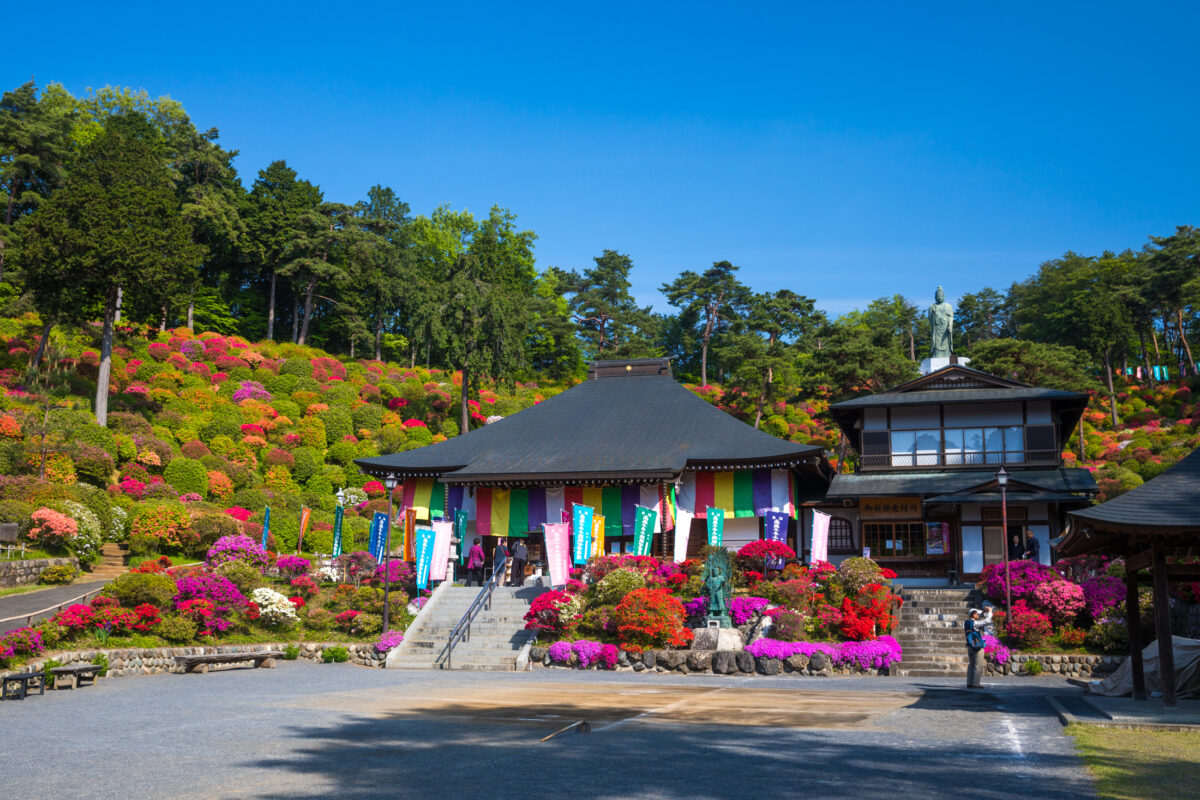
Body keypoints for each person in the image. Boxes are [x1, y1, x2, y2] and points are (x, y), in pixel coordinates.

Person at [964, 608, 986, 689]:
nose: (978, 615)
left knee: (971, 665)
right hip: (977, 646)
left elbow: (979, 616)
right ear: (973, 615)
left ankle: (969, 683)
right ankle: (976, 684)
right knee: (978, 665)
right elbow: (986, 621)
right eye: (977, 614)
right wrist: (990, 612)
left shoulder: (967, 622)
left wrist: (983, 612)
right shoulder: (975, 623)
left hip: (970, 645)